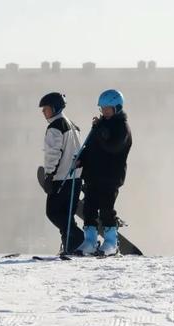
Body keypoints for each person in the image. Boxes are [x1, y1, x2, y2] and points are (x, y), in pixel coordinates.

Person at [75, 89, 132, 256]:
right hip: (93, 174)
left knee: (107, 208)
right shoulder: (100, 126)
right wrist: (81, 159)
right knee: (89, 208)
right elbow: (91, 147)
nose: (104, 112)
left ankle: (111, 243)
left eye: (108, 108)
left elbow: (113, 147)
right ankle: (90, 241)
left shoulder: (122, 127)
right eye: (102, 108)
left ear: (117, 108)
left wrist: (100, 132)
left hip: (110, 176)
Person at [39, 92, 84, 254]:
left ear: (56, 108)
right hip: (75, 178)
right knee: (67, 214)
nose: (44, 112)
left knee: (53, 212)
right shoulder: (74, 126)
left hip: (61, 178)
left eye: (46, 109)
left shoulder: (55, 127)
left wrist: (49, 175)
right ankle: (69, 245)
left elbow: (53, 153)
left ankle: (77, 237)